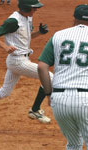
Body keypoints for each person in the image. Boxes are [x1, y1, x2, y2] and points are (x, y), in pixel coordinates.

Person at [0, 0, 53, 128]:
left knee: (5, 91)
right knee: (49, 77)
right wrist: (5, 47)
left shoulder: (27, 18)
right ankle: (35, 110)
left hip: (18, 61)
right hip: (18, 61)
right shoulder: (13, 21)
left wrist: (40, 33)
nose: (36, 10)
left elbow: (25, 38)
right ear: (26, 7)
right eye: (34, 8)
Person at [38, 4, 88, 150]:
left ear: (74, 19)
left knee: (73, 145)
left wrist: (48, 93)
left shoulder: (58, 35)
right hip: (86, 99)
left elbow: (42, 67)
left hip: (60, 101)